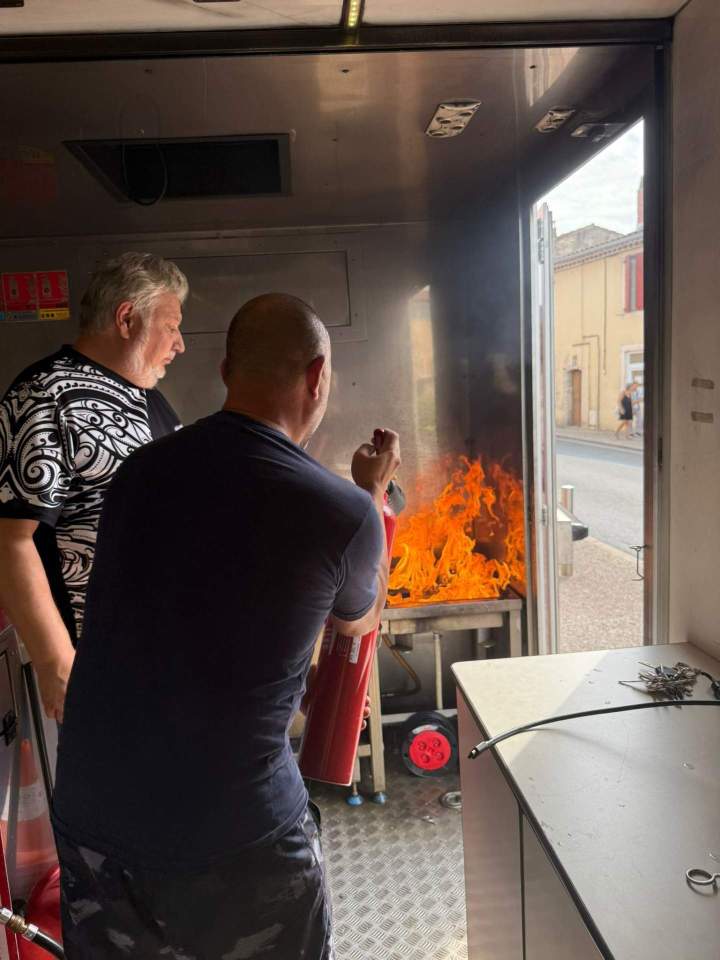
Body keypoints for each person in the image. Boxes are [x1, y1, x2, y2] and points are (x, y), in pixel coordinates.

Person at [52, 293, 400, 960]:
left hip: (93, 812)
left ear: (223, 371)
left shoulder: (137, 474)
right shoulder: (340, 512)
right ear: (318, 376)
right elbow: (358, 624)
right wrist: (371, 494)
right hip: (233, 835)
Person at [0, 252, 187, 721]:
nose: (179, 344)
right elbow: (10, 540)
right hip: (98, 665)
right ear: (127, 318)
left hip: (165, 654)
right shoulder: (46, 395)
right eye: (170, 326)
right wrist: (56, 663)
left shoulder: (151, 399)